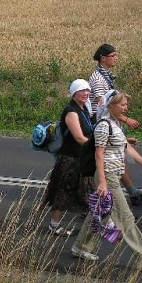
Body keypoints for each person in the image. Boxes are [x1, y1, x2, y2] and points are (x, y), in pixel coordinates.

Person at [72, 90, 142, 271]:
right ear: (111, 105)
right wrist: (102, 182)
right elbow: (98, 155)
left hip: (114, 175)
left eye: (126, 104)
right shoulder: (103, 126)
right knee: (126, 218)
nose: (126, 107)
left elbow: (127, 150)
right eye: (123, 104)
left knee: (100, 214)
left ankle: (80, 247)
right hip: (107, 176)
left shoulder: (115, 124)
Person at [89, 44, 142, 205]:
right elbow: (104, 105)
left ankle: (131, 192)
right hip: (102, 124)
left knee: (119, 154)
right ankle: (118, 195)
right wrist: (125, 119)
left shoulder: (106, 76)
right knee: (113, 156)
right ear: (103, 58)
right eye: (113, 55)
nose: (116, 58)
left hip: (110, 122)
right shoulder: (98, 79)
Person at [43, 79, 93, 236]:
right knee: (64, 192)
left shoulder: (84, 109)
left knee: (86, 191)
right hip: (70, 159)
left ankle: (99, 222)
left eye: (87, 90)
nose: (85, 93)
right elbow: (79, 137)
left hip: (81, 157)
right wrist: (98, 147)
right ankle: (54, 225)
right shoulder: (71, 112)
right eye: (81, 91)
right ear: (74, 93)